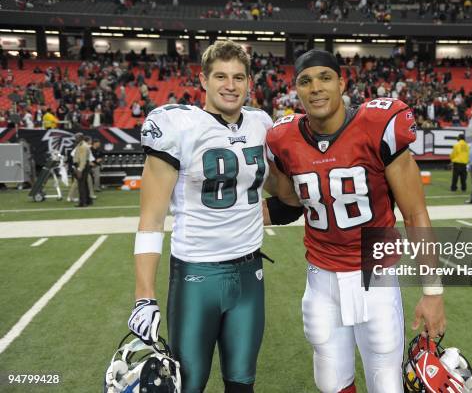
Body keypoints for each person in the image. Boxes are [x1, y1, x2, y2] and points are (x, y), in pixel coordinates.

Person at [264, 50, 445, 393]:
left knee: (386, 384)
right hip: (319, 279)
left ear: (342, 83)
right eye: (305, 81)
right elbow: (289, 201)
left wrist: (433, 291)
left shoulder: (377, 125)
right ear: (296, 91)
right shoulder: (281, 138)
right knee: (330, 381)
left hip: (374, 275)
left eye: (325, 78)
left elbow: (415, 213)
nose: (315, 88)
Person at [127, 40, 273, 393]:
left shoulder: (261, 123)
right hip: (197, 274)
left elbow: (272, 194)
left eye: (239, 77)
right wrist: (143, 295)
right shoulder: (179, 125)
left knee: (242, 384)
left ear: (249, 82)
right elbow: (151, 218)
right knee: (188, 385)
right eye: (220, 76)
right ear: (203, 80)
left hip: (249, 275)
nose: (230, 85)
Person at [73, 134, 93, 207]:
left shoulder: (83, 146)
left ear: (81, 138)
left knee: (81, 185)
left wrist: (80, 169)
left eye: (77, 138)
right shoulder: (81, 145)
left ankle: (83, 202)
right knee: (84, 184)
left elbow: (83, 159)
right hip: (83, 165)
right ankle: (88, 201)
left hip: (82, 166)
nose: (75, 139)